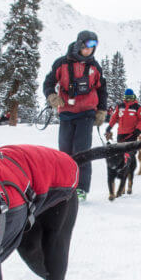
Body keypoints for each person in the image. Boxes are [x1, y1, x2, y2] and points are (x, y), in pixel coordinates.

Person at [43, 30, 108, 200]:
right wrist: (51, 96)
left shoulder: (95, 67)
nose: (90, 50)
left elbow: (102, 89)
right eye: (88, 46)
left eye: (94, 47)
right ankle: (64, 186)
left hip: (86, 113)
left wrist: (101, 110)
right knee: (65, 151)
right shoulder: (62, 63)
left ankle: (81, 189)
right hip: (66, 113)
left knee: (82, 151)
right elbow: (49, 83)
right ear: (80, 44)